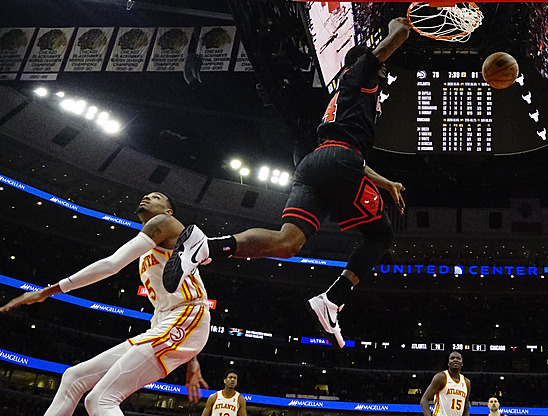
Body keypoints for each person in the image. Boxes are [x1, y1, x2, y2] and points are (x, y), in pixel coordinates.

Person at [162, 16, 413, 349]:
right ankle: (332, 299)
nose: (384, 73)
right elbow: (386, 47)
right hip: (339, 160)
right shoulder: (359, 74)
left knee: (288, 242)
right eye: (380, 69)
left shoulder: (345, 95)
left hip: (317, 164)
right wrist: (406, 23)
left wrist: (385, 183)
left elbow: (350, 157)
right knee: (381, 234)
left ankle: (207, 245)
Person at [0, 192, 211, 415]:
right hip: (171, 321)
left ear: (168, 211)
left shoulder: (165, 222)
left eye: (156, 197)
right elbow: (165, 305)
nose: (146, 197)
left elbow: (112, 265)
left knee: (101, 399)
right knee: (73, 377)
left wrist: (48, 291)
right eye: (146, 195)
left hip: (189, 315)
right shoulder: (148, 251)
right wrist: (191, 359)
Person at [420, 351, 471, 416]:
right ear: (448, 363)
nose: (455, 360)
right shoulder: (441, 377)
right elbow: (424, 400)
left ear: (462, 363)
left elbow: (465, 409)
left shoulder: (467, 382)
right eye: (452, 358)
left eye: (458, 358)